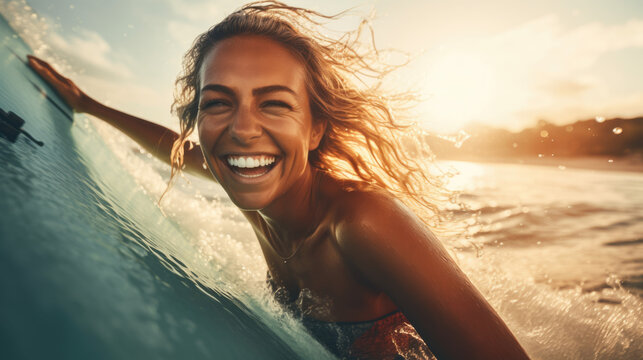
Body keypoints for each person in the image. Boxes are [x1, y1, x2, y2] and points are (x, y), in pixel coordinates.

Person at [28, 2, 530, 359]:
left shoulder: (362, 223)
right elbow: (176, 150)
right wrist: (85, 104)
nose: (242, 130)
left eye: (274, 103)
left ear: (315, 128)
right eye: (218, 103)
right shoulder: (251, 187)